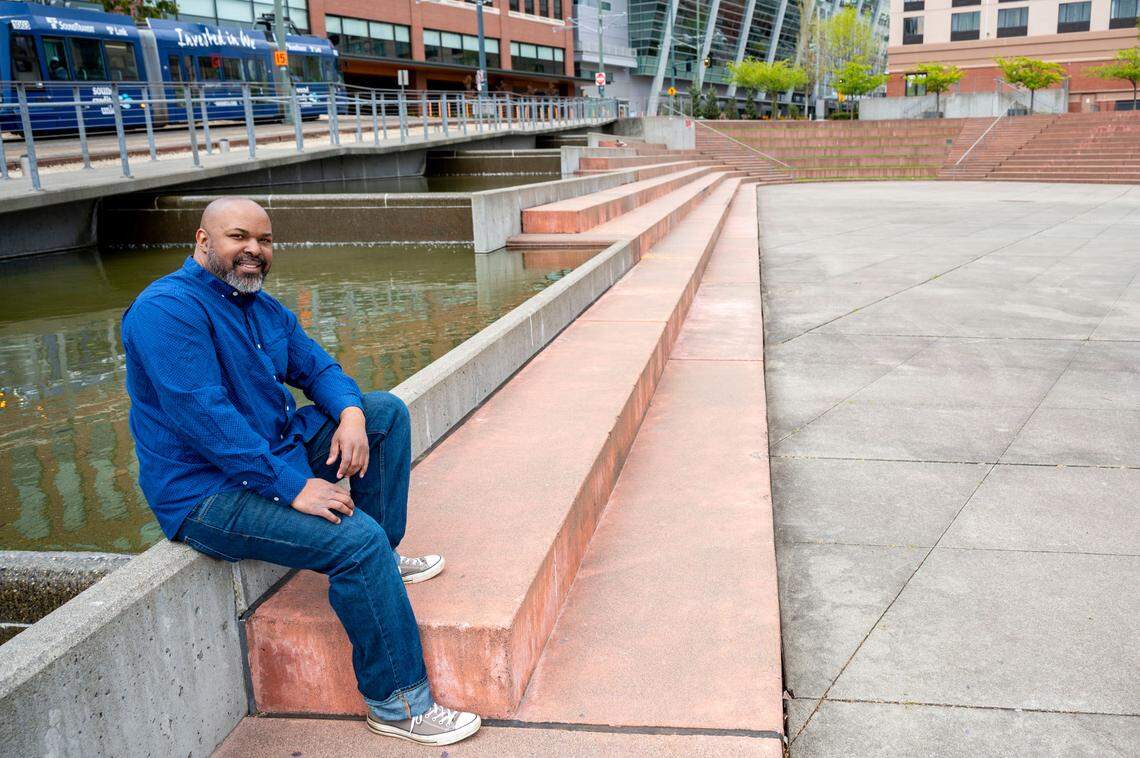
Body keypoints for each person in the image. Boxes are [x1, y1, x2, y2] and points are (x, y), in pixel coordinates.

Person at [121, 197, 481, 747]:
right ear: (202, 242)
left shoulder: (261, 307)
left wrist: (352, 413)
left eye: (263, 241)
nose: (254, 251)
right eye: (238, 237)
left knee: (385, 413)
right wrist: (292, 488)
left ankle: (380, 560)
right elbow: (205, 419)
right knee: (353, 539)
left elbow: (317, 367)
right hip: (205, 494)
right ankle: (399, 704)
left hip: (270, 456)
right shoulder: (166, 311)